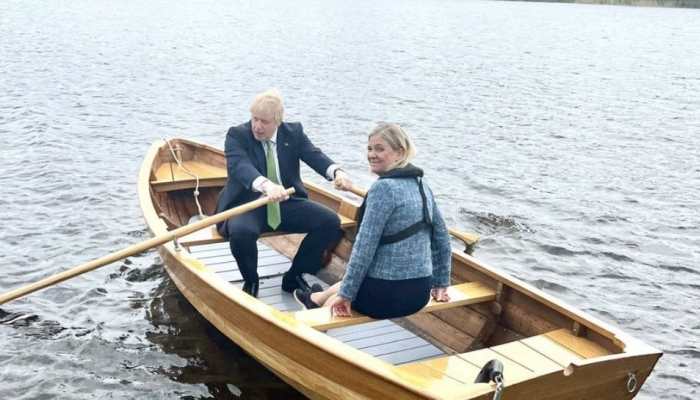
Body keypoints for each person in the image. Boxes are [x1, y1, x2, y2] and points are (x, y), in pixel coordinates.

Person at [293, 123, 451, 319]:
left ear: (399, 152)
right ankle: (315, 298)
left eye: (380, 149)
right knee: (350, 284)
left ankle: (316, 318)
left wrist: (346, 295)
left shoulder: (383, 189)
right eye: (369, 148)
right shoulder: (422, 184)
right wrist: (442, 282)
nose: (372, 154)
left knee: (340, 297)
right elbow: (442, 238)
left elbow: (364, 248)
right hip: (419, 294)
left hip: (385, 297)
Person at [215, 89, 353, 297]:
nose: (257, 126)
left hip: (285, 202)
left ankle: (294, 276)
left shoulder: (293, 133)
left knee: (330, 222)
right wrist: (267, 186)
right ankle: (251, 281)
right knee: (242, 233)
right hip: (248, 204)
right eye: (254, 119)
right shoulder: (237, 135)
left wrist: (337, 172)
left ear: (278, 121)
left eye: (264, 121)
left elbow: (313, 155)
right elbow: (240, 166)